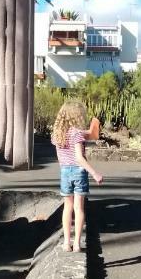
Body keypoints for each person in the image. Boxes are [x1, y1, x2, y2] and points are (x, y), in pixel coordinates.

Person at [50, 101, 103, 252]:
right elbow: (79, 158)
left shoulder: (57, 134)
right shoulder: (76, 134)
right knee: (79, 209)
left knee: (68, 207)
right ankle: (78, 244)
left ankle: (66, 243)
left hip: (64, 172)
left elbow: (60, 158)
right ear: (76, 116)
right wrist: (94, 173)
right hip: (79, 172)